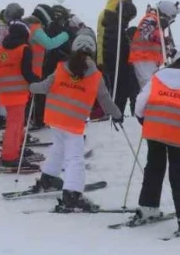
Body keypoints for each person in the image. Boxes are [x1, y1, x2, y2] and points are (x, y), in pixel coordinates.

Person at [26, 29, 123, 211]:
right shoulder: (95, 75)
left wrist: (31, 86)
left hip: (54, 119)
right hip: (73, 123)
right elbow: (105, 99)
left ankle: (48, 178)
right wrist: (117, 115)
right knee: (75, 158)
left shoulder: (62, 67)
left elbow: (45, 87)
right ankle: (72, 194)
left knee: (59, 148)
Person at [133, 49, 180, 232]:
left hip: (153, 129)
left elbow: (141, 99)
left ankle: (147, 207)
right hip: (177, 133)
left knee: (153, 167)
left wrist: (141, 117)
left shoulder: (158, 76)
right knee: (179, 173)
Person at [0, 20, 43, 167]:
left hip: (4, 92)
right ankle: (9, 156)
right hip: (19, 92)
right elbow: (26, 72)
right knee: (14, 125)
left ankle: (17, 147)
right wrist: (37, 81)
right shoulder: (24, 49)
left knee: (16, 122)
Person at [27, 5, 71, 129]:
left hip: (31, 67)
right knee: (36, 95)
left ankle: (32, 121)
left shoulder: (28, 27)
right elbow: (50, 44)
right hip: (35, 68)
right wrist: (65, 35)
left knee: (31, 96)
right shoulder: (36, 28)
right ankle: (35, 121)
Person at [97, 0, 138, 116]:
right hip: (111, 58)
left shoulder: (114, 19)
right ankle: (114, 112)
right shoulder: (109, 17)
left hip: (112, 57)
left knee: (121, 87)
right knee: (118, 86)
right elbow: (104, 39)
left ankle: (116, 111)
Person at [129, 1, 180, 89]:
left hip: (150, 61)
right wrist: (160, 40)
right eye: (172, 16)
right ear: (166, 14)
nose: (172, 19)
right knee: (148, 88)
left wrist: (167, 50)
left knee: (152, 87)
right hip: (143, 59)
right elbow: (143, 33)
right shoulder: (151, 19)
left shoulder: (158, 23)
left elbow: (154, 44)